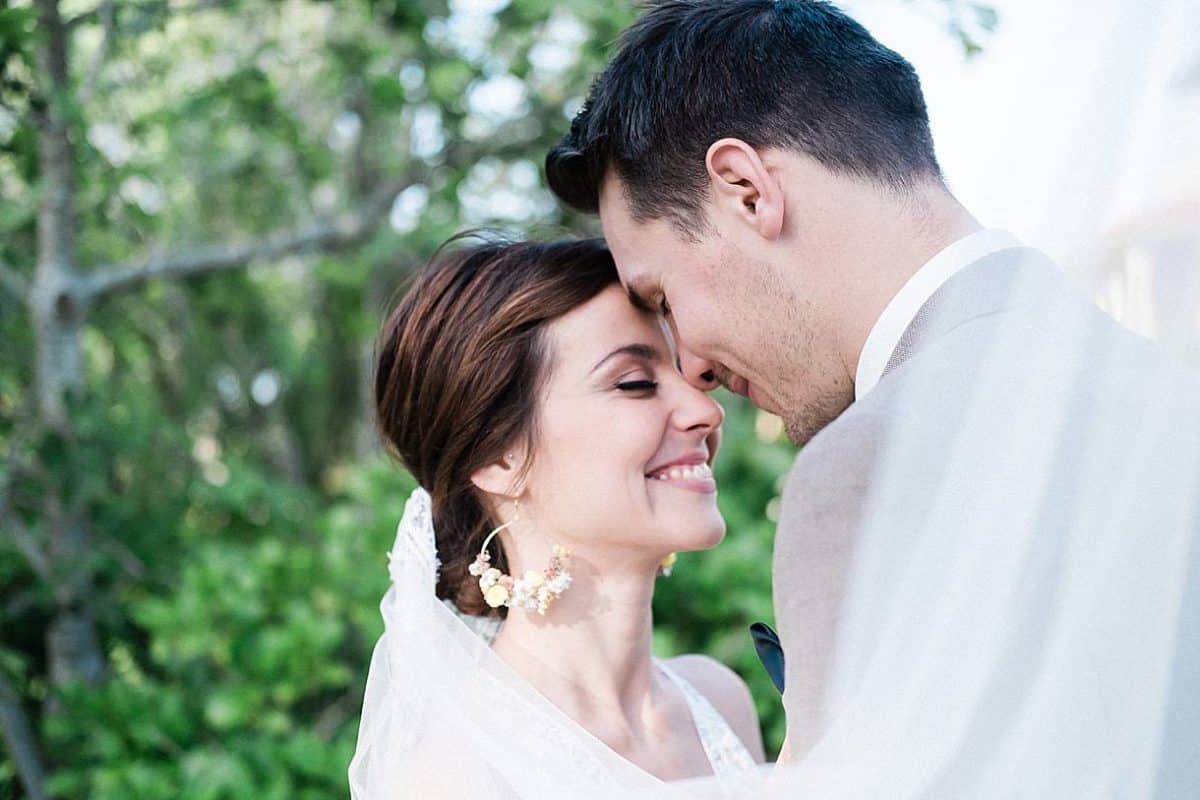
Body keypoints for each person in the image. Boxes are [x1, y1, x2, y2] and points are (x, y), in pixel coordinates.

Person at [545, 0, 1200, 795]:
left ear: (748, 190)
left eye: (664, 296)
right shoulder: (1163, 386)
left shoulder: (870, 464)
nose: (697, 370)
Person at [349, 235, 764, 799]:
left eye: (689, 377)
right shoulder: (455, 776)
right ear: (497, 455)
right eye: (636, 384)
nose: (705, 411)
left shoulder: (721, 700)